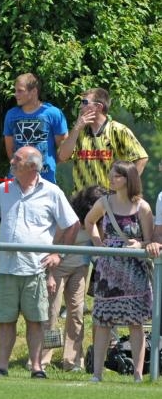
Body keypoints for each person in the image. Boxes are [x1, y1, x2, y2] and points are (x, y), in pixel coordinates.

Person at [0, 146, 80, 379]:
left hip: (36, 269)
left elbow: (73, 225)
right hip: (6, 268)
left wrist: (58, 255)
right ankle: (1, 367)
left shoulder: (52, 192)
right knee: (6, 321)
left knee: (35, 321)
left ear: (32, 166)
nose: (12, 161)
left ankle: (37, 367)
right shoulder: (3, 189)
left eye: (18, 158)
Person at [84, 161, 153, 383]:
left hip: (134, 272)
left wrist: (139, 245)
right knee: (103, 321)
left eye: (117, 176)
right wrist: (98, 243)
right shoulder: (104, 202)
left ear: (128, 179)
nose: (112, 179)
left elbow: (150, 241)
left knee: (135, 322)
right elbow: (89, 221)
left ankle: (137, 375)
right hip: (108, 270)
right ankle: (96, 374)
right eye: (111, 175)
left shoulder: (142, 207)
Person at [41, 185, 108, 371]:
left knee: (76, 313)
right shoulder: (68, 217)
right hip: (57, 267)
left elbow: (99, 245)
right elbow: (52, 244)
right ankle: (43, 359)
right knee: (51, 314)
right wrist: (50, 275)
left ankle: (72, 361)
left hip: (80, 268)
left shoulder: (99, 221)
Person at [57, 87, 148, 193]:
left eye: (85, 102)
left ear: (98, 107)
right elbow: (62, 157)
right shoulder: (78, 132)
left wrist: (126, 188)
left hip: (110, 200)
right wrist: (77, 128)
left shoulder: (118, 130)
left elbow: (141, 158)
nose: (80, 106)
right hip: (82, 201)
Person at [3, 73, 67, 183]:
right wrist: (22, 168)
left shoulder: (53, 113)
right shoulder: (11, 114)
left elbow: (63, 149)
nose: (15, 94)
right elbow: (10, 150)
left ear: (33, 91)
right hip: (17, 178)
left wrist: (48, 166)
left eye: (20, 91)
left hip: (45, 178)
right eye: (15, 90)